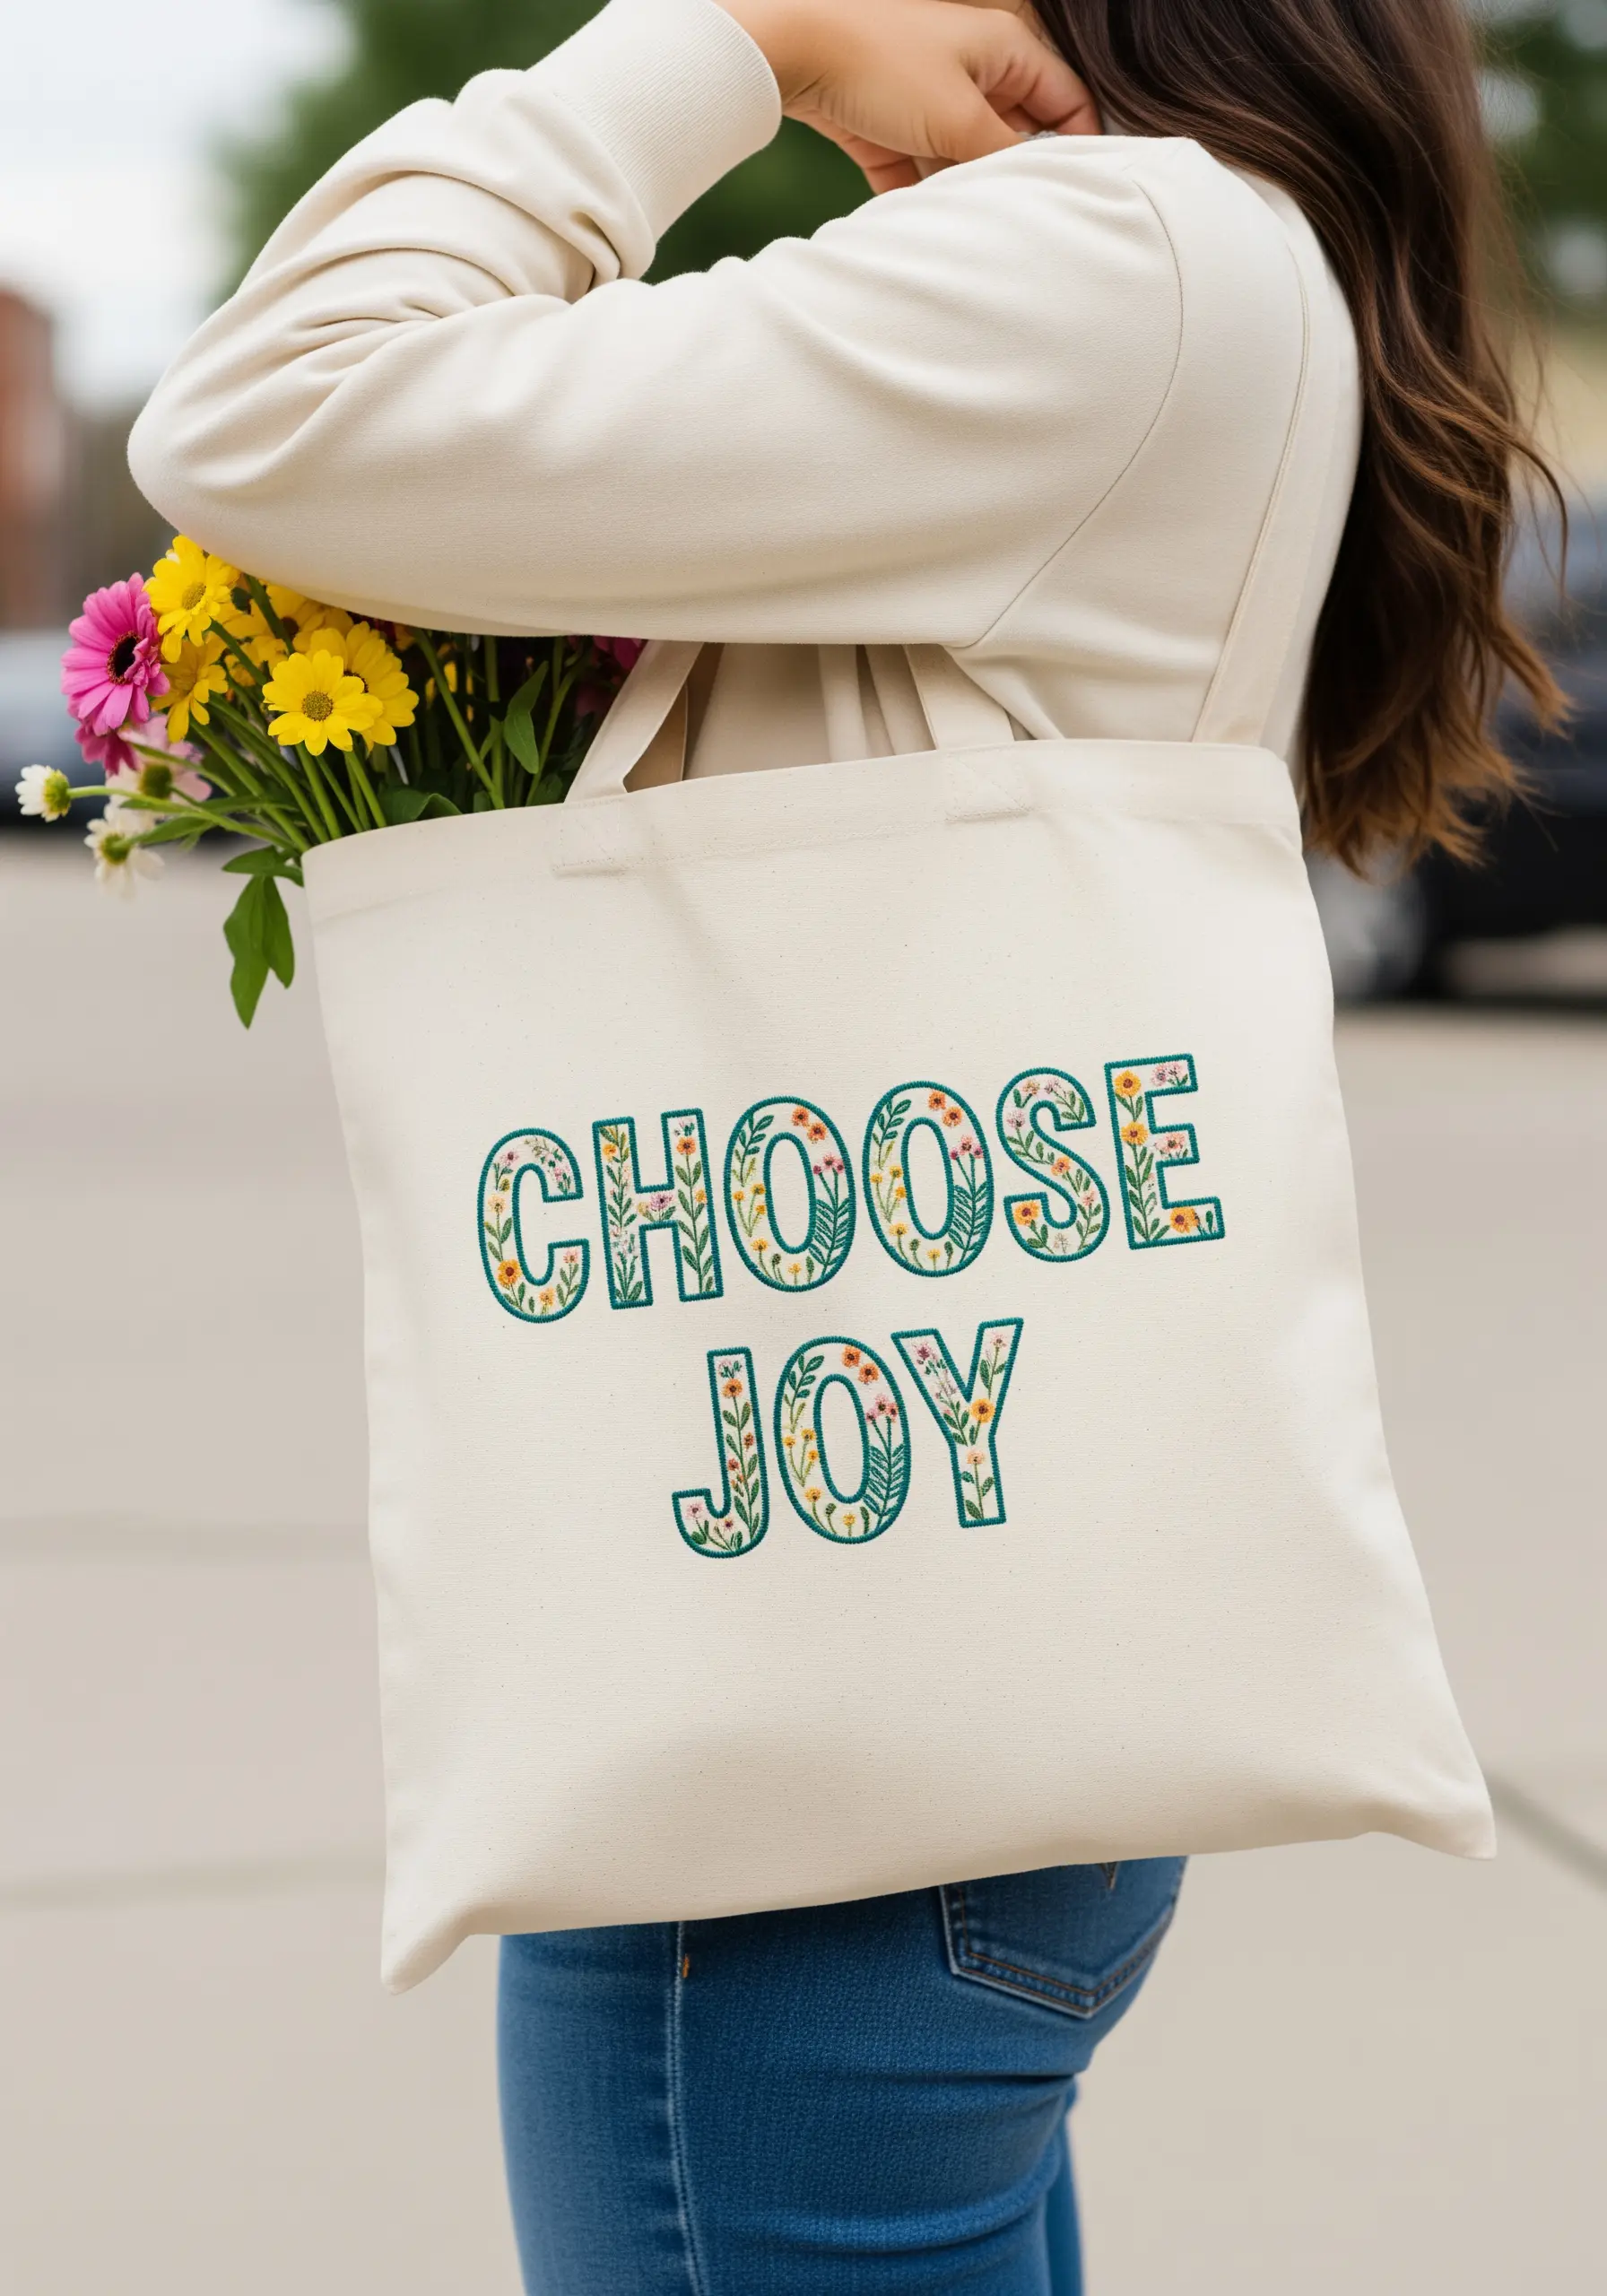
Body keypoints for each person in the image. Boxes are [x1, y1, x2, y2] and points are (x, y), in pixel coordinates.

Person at [128, 2, 1559, 2287]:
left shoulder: (1111, 255)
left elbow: (272, 407)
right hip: (934, 1729)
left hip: (807, 1787)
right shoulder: (1214, 261)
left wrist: (738, 37)